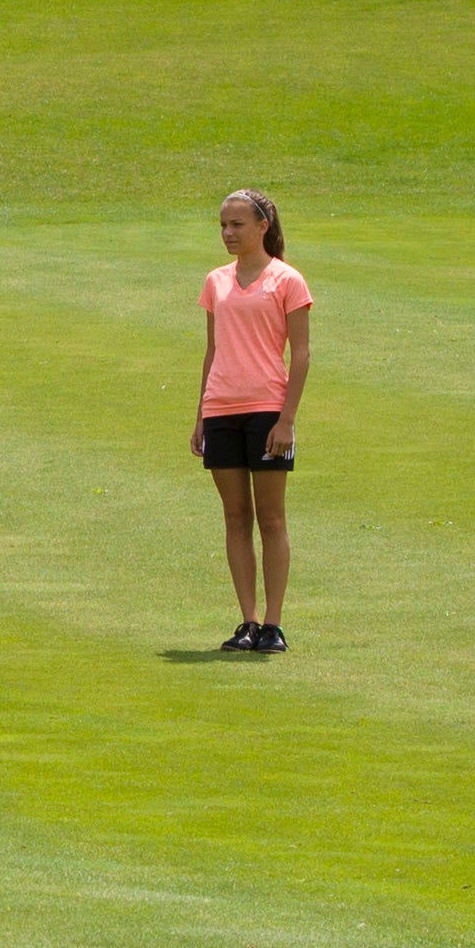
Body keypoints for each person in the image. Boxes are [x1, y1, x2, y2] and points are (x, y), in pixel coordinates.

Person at [193, 189, 314, 651]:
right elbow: (213, 350)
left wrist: (287, 420)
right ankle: (247, 620)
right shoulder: (216, 281)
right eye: (223, 225)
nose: (227, 233)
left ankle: (274, 625)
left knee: (272, 518)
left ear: (263, 226)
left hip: (267, 409)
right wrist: (201, 414)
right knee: (234, 516)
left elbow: (300, 355)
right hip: (222, 408)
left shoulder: (287, 280)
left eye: (237, 225)